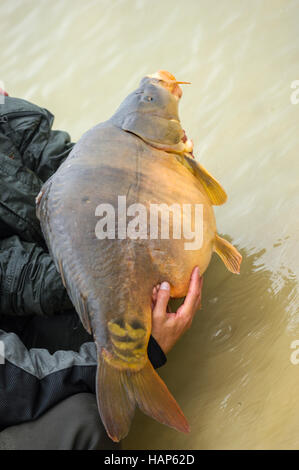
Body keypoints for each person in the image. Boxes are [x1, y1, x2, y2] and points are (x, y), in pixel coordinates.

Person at [0, 88, 203, 450]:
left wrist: (153, 175)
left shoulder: (5, 112)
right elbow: (13, 379)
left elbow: (74, 173)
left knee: (169, 261)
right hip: (7, 379)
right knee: (84, 423)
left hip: (20, 320)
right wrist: (133, 349)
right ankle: (126, 376)